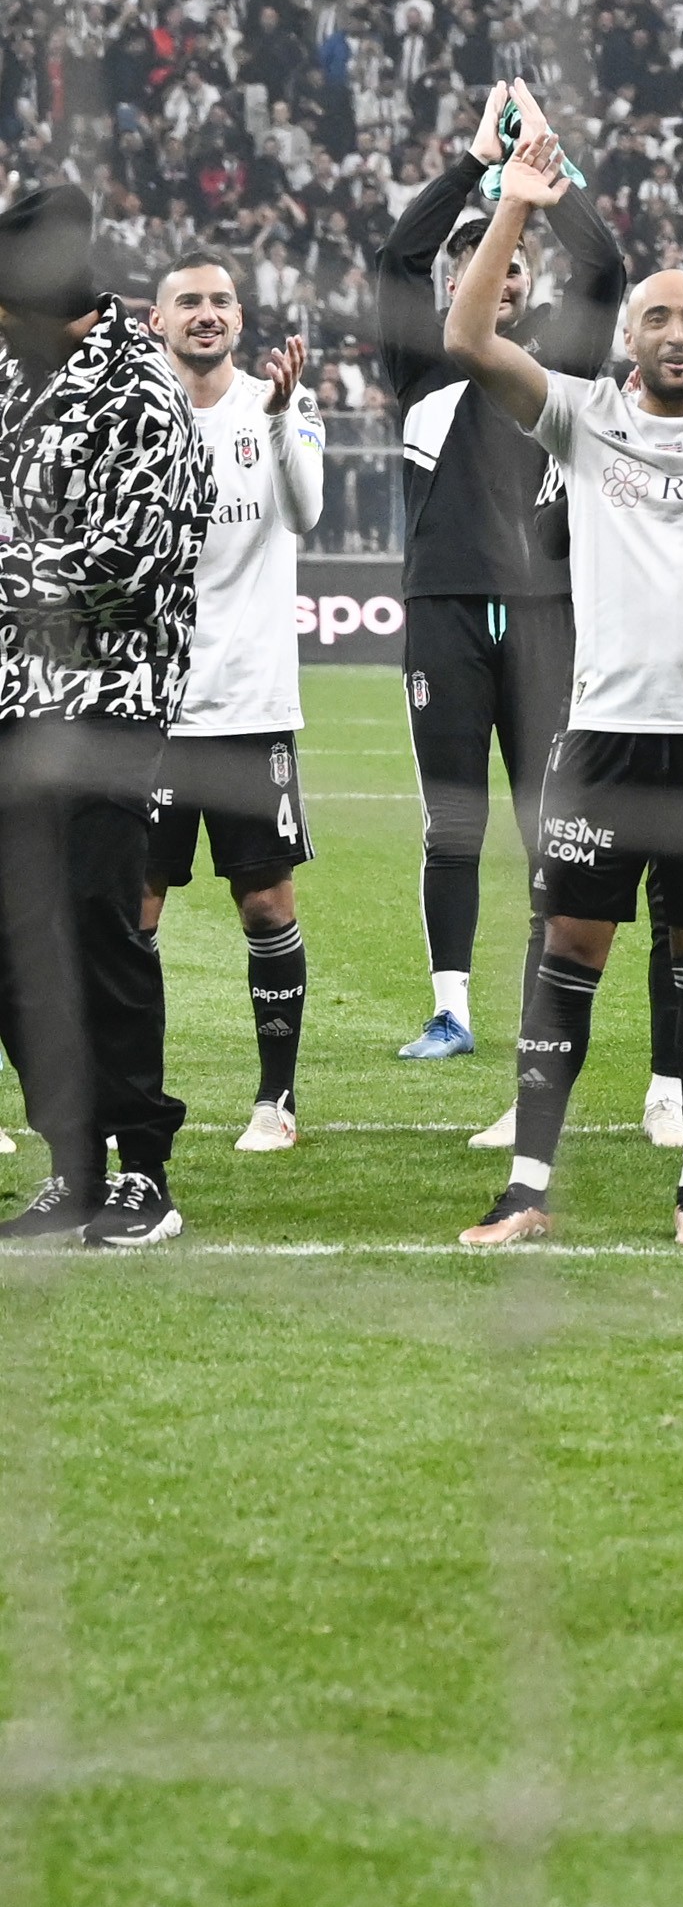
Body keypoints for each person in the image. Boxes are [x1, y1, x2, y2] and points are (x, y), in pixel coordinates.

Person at [446, 136, 683, 1252]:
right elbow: (465, 337)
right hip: (603, 741)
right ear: (628, 337)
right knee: (569, 952)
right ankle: (528, 1186)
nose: (676, 334)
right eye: (657, 319)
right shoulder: (585, 416)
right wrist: (519, 210)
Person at [377, 82, 626, 1063]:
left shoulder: (561, 359)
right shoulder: (424, 362)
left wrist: (542, 175)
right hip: (442, 609)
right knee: (454, 822)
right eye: (483, 263)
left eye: (515, 263)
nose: (502, 276)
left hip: (546, 615)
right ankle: (452, 1011)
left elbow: (604, 263)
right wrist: (475, 168)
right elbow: (400, 255)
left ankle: (541, 1016)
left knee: (545, 822)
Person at [0, 183, 207, 1247]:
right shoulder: (8, 376)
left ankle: (143, 1171)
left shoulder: (140, 390)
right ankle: (70, 1161)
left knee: (95, 926)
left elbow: (133, 566)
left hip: (106, 703)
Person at [140, 252, 325, 1155]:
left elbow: (308, 510)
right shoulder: (133, 416)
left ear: (240, 319)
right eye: (188, 303)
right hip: (150, 708)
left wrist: (286, 418)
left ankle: (275, 1103)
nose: (205, 314)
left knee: (267, 907)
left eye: (219, 301)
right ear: (157, 322)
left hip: (251, 705)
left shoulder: (279, 404)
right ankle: (130, 1099)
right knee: (133, 914)